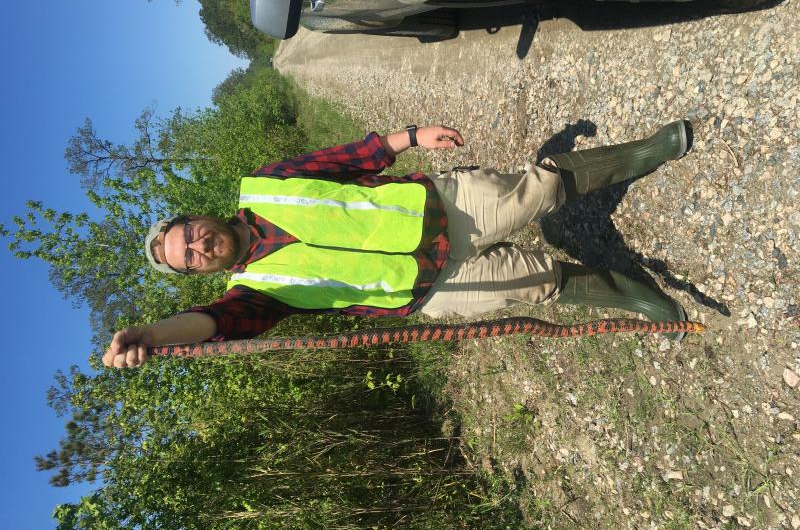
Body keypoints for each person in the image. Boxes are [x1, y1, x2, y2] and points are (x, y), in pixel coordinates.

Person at [102, 121, 692, 368]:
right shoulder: (251, 295)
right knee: (544, 283)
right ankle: (636, 298)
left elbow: (347, 159)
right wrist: (154, 336)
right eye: (191, 258)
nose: (200, 246)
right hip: (430, 290)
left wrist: (410, 136)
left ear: (197, 218)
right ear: (200, 272)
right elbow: (215, 325)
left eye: (191, 235)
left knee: (541, 189)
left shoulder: (265, 182)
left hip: (443, 207)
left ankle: (644, 153)